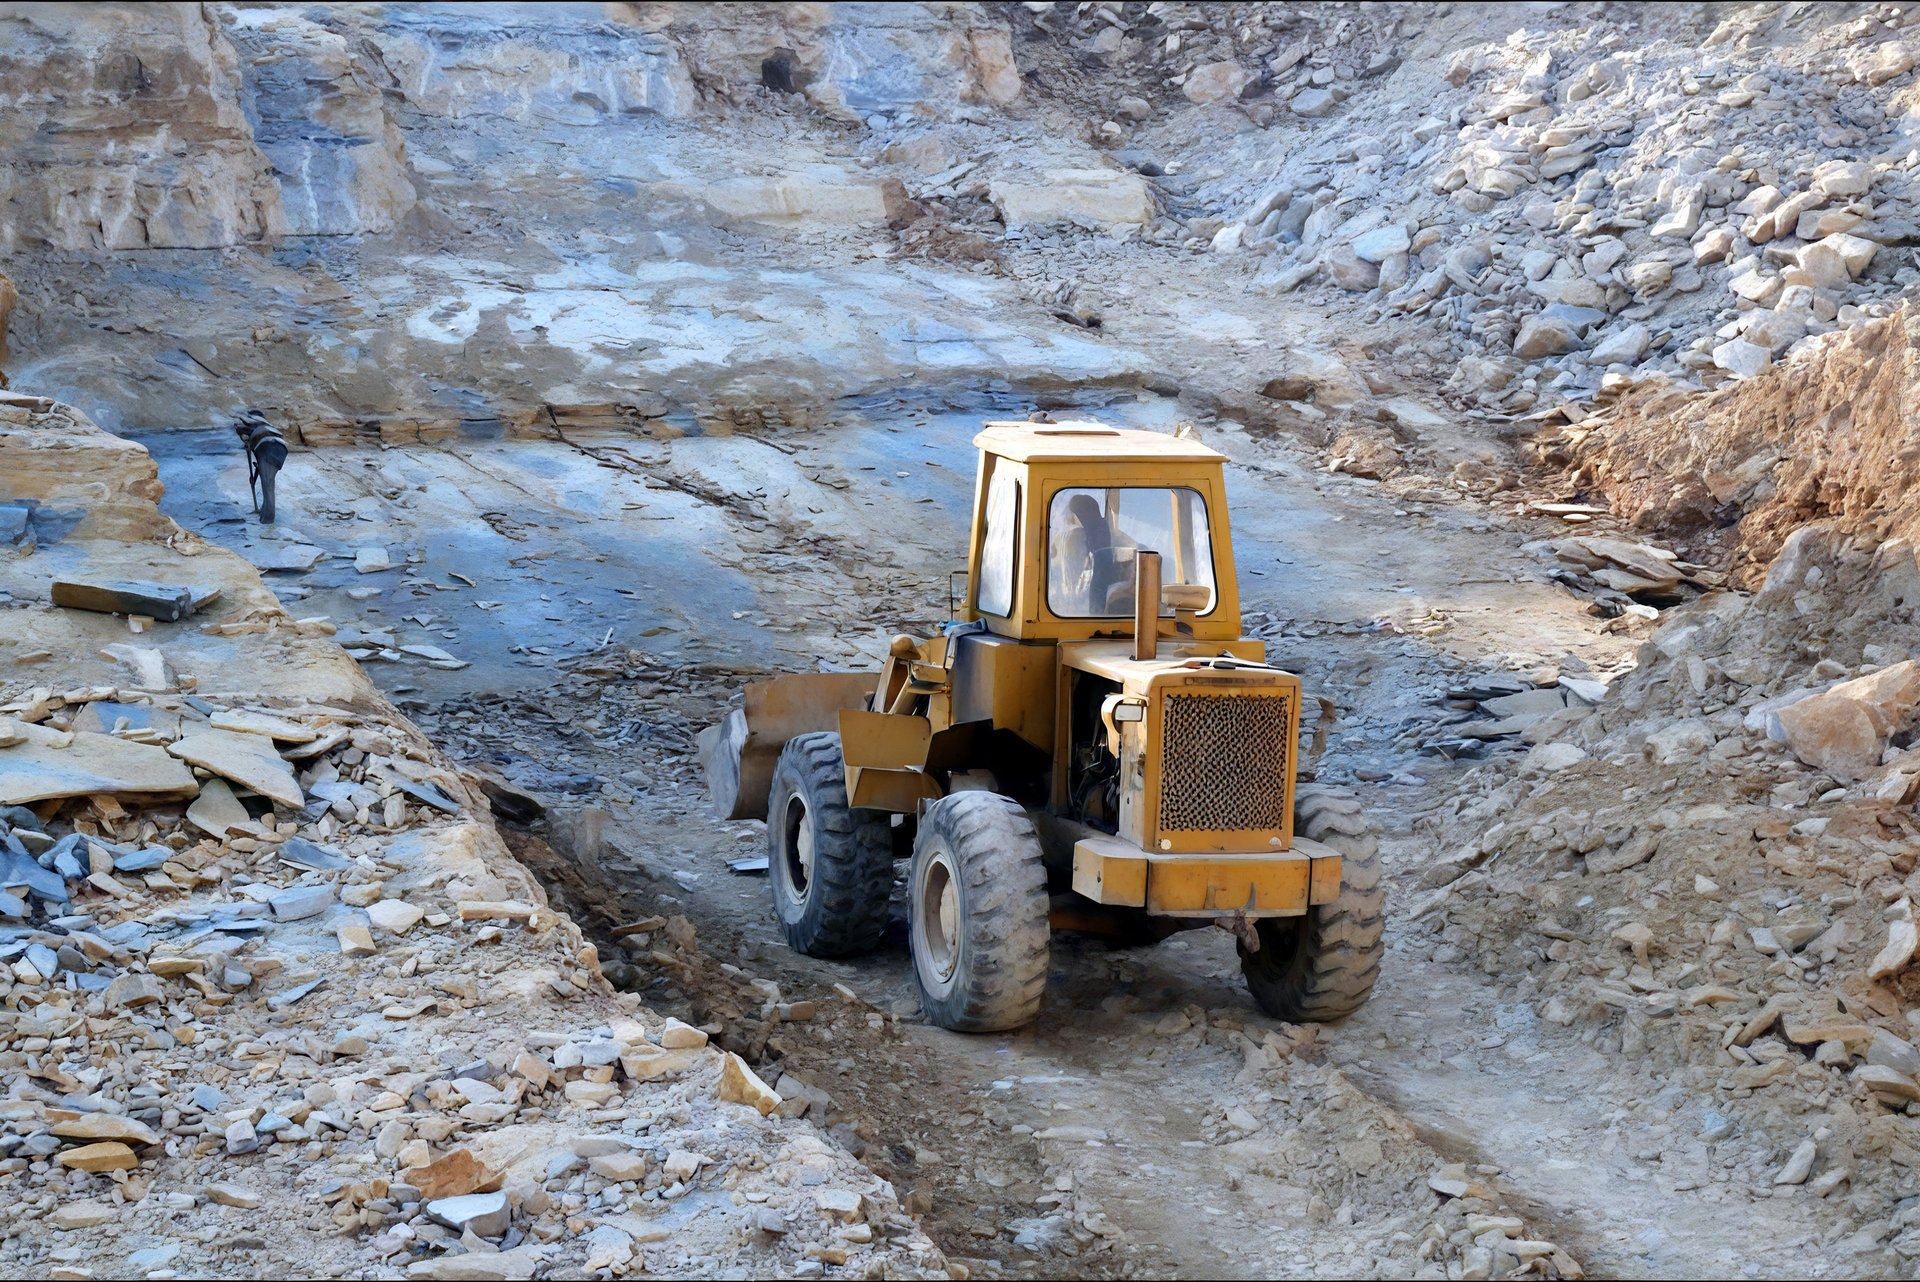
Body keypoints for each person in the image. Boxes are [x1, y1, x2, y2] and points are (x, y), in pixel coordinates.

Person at [232, 408, 289, 523]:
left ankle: (268, 517)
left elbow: (239, 428)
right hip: (280, 450)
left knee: (267, 483)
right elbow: (259, 464)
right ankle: (265, 512)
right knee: (269, 482)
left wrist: (240, 433)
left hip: (266, 446)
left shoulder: (256, 423)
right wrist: (256, 475)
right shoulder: (269, 427)